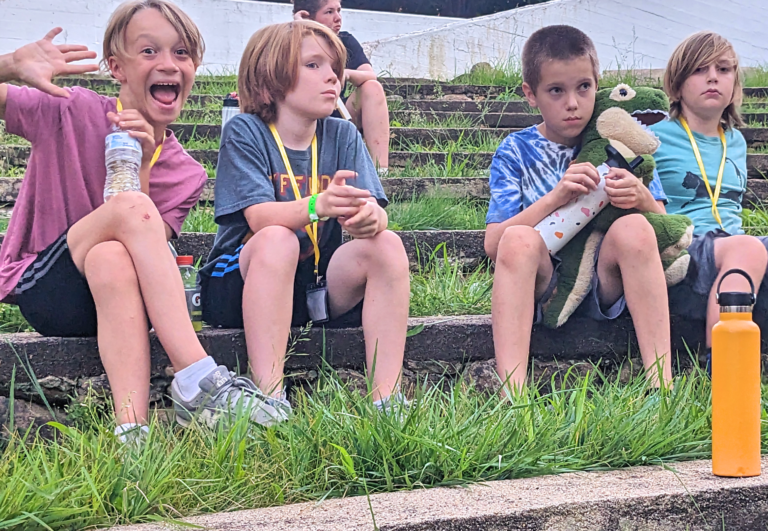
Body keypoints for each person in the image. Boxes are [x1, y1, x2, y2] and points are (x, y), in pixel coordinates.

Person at [0, 0, 284, 442]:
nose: (168, 63)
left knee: (113, 255)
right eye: (149, 51)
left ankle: (132, 435)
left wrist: (144, 162)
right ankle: (197, 376)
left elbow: (143, 253)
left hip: (116, 293)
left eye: (182, 53)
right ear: (116, 66)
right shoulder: (67, 108)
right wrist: (10, 66)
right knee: (129, 216)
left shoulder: (186, 173)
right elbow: (133, 213)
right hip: (48, 285)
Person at [199, 21, 409, 414]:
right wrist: (318, 205)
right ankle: (269, 397)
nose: (332, 76)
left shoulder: (343, 135)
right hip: (239, 283)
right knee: (279, 238)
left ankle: (387, 399)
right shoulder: (247, 131)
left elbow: (373, 209)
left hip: (313, 285)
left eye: (334, 66)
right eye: (313, 65)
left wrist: (369, 220)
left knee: (387, 244)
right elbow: (259, 217)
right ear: (268, 83)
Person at [484, 25, 673, 394]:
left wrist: (641, 198)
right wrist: (555, 198)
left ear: (597, 83)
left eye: (583, 87)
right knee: (519, 239)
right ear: (531, 94)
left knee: (636, 228)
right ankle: (513, 392)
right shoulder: (516, 149)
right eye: (556, 90)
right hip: (545, 283)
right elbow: (494, 243)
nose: (572, 102)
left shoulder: (623, 139)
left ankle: (662, 386)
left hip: (606, 279)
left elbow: (664, 228)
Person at [650, 31, 768, 366]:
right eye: (699, 70)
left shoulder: (736, 141)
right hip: (686, 247)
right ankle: (723, 364)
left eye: (724, 69)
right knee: (746, 246)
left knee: (747, 247)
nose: (713, 77)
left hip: (734, 249)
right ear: (676, 85)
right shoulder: (654, 136)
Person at [293, 0, 390, 173]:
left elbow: (370, 75)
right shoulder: (289, 42)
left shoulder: (345, 41)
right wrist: (300, 29)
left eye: (339, 10)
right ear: (308, 16)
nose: (338, 18)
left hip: (337, 113)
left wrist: (346, 73)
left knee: (372, 87)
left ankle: (380, 170)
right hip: (299, 115)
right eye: (329, 12)